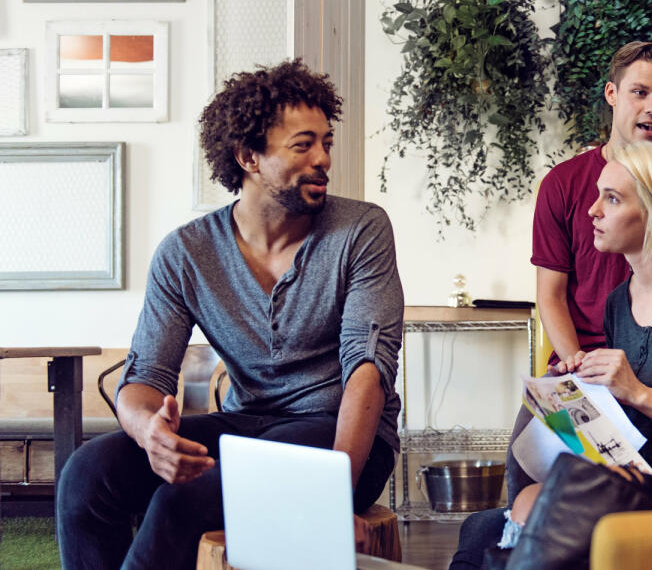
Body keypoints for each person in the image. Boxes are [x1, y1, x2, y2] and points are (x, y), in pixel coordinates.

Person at [56, 60, 405, 570]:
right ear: (248, 157)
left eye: (326, 142)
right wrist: (148, 431)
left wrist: (330, 495)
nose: (324, 159)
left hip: (339, 434)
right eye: (303, 145)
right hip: (246, 427)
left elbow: (367, 372)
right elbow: (144, 377)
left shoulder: (361, 230)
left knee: (187, 500)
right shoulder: (186, 252)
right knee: (86, 475)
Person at [455, 142, 652, 569]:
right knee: (480, 527)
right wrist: (579, 394)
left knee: (534, 509)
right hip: (640, 477)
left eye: (612, 199)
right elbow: (626, 426)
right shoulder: (621, 301)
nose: (592, 211)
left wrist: (635, 392)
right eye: (599, 194)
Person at [510, 42, 652, 499]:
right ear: (611, 93)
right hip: (579, 368)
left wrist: (642, 381)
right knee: (523, 480)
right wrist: (576, 370)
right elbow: (550, 294)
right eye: (640, 92)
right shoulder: (562, 185)